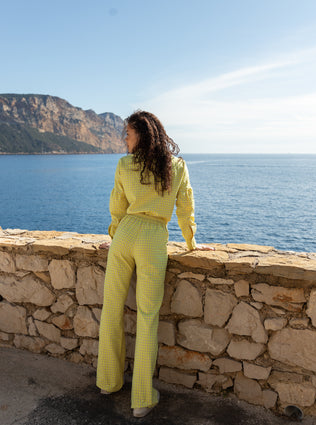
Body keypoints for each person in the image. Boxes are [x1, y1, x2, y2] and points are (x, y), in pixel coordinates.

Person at [96, 110, 214, 418]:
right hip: (152, 242)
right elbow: (185, 208)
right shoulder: (176, 167)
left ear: (143, 136)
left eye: (128, 133)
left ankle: (108, 382)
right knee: (147, 318)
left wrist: (115, 236)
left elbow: (116, 208)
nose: (125, 138)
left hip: (124, 238)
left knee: (111, 308)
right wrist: (191, 244)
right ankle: (142, 399)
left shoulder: (123, 165)